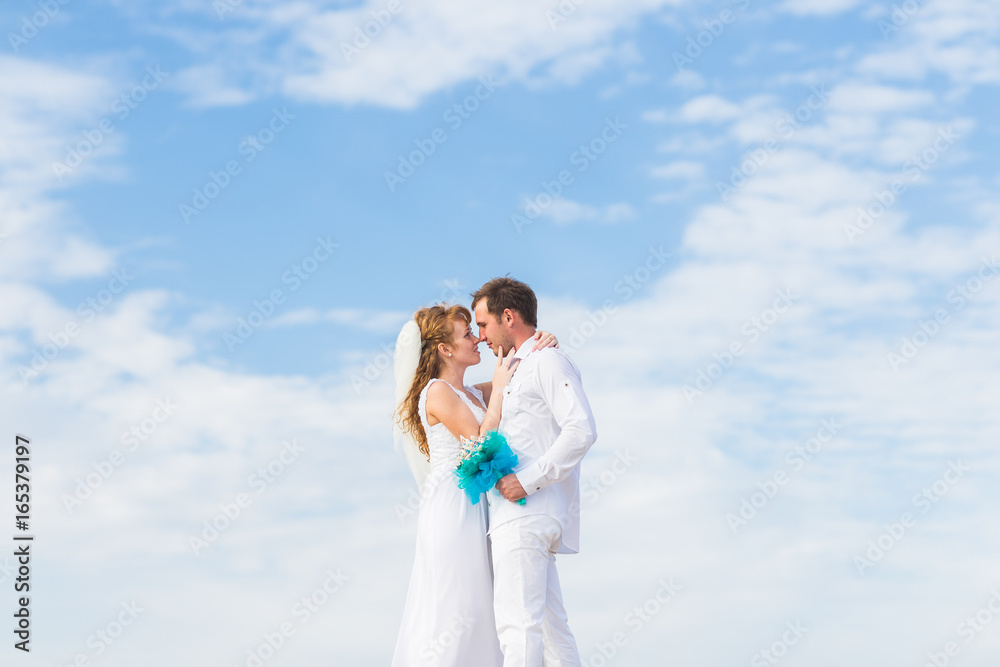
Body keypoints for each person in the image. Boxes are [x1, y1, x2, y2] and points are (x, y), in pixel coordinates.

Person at [391, 303, 559, 667]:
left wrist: (540, 341)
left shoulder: (469, 392)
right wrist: (497, 391)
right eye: (467, 334)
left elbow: (519, 373)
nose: (477, 339)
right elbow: (481, 445)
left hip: (479, 507)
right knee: (458, 605)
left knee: (487, 605)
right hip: (452, 508)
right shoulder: (436, 392)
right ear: (445, 349)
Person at [471, 278, 597, 667]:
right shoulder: (510, 370)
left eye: (483, 325)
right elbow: (456, 393)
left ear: (508, 316)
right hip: (522, 516)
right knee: (552, 633)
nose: (479, 337)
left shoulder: (546, 360)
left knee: (518, 627)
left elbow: (582, 430)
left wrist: (526, 480)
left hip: (526, 513)